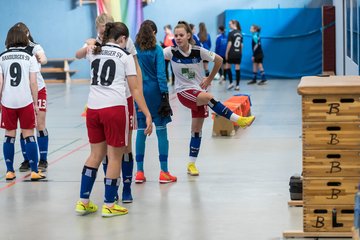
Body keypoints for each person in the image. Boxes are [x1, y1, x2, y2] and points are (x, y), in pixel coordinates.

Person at [75, 22, 152, 217]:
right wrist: (147, 113)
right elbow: (135, 90)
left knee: (95, 155)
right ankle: (109, 204)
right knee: (115, 156)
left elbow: (79, 54)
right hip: (114, 108)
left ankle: (83, 202)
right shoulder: (125, 56)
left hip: (93, 109)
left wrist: (89, 43)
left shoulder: (94, 52)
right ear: (123, 39)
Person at [163, 21, 255, 176]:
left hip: (198, 92)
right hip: (184, 92)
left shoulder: (198, 51)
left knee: (196, 131)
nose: (178, 38)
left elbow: (219, 60)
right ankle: (238, 119)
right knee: (210, 97)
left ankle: (191, 164)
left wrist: (209, 79)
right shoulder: (170, 52)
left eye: (181, 35)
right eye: (176, 35)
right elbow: (153, 56)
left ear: (188, 36)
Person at [0, 26, 46, 181]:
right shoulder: (29, 57)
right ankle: (34, 170)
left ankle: (9, 171)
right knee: (28, 135)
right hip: (25, 100)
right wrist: (34, 103)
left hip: (8, 101)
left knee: (9, 136)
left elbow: (0, 82)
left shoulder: (2, 57)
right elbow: (33, 83)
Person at [134, 20, 177, 184]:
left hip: (139, 92)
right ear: (153, 33)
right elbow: (161, 74)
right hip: (155, 93)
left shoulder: (135, 50)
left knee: (141, 130)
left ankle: (139, 172)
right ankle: (164, 172)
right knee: (161, 131)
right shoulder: (157, 50)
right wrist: (165, 96)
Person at [14, 22, 49, 173]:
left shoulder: (35, 46)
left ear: (27, 33)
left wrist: (41, 58)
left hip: (38, 89)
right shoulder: (12, 48)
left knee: (40, 124)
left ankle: (43, 159)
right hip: (22, 92)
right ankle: (27, 159)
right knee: (25, 128)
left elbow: (44, 57)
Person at [225, 20, 243, 91]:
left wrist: (226, 53)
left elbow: (229, 44)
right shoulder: (240, 33)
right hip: (238, 53)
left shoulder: (231, 33)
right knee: (237, 68)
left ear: (234, 24)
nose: (229, 25)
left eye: (230, 24)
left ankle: (231, 83)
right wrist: (240, 53)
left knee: (228, 66)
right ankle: (237, 85)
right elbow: (242, 45)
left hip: (231, 53)